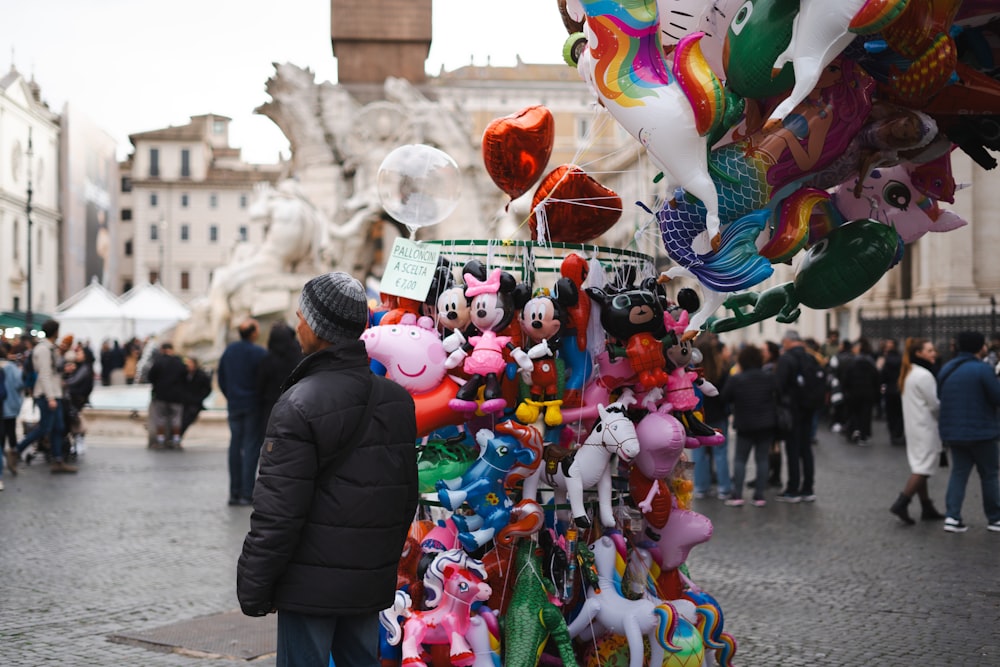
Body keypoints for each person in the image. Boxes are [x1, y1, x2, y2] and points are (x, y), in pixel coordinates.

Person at [237, 271, 418, 667]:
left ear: (318, 328)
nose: (298, 323)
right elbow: (406, 499)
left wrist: (253, 585)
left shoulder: (298, 403)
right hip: (366, 582)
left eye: (302, 315)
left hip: (309, 587)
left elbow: (278, 513)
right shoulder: (397, 400)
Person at [936, 330, 1000, 533]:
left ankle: (952, 517)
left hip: (954, 431)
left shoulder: (947, 368)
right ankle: (995, 518)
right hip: (981, 432)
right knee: (989, 475)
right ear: (980, 347)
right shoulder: (982, 369)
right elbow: (997, 397)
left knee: (959, 473)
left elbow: (940, 395)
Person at [7, 319, 77, 474]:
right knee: (45, 427)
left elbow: (52, 371)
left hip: (54, 393)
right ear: (55, 332)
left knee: (58, 427)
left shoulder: (51, 349)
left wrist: (64, 368)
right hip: (47, 394)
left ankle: (58, 460)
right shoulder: (43, 350)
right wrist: (50, 397)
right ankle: (16, 450)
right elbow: (44, 374)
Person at [889, 338, 946, 524]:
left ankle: (926, 506)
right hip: (926, 427)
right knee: (923, 468)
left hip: (914, 427)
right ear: (918, 353)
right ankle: (902, 502)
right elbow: (935, 404)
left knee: (921, 465)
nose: (934, 353)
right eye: (929, 350)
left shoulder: (910, 372)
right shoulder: (924, 375)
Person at [218, 318, 268, 506]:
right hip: (252, 404)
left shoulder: (229, 351)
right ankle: (247, 492)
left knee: (235, 446)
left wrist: (230, 395)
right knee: (251, 448)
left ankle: (234, 492)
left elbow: (221, 377)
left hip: (235, 404)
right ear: (254, 333)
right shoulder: (259, 353)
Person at [722, 344, 778, 507]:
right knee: (762, 459)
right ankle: (759, 496)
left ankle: (737, 495)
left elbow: (725, 397)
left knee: (740, 459)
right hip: (766, 424)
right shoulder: (769, 377)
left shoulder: (737, 379)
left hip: (744, 423)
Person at [775, 330, 816, 502]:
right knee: (806, 448)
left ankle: (793, 489)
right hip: (809, 408)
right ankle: (808, 489)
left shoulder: (786, 359)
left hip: (791, 410)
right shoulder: (811, 358)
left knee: (792, 449)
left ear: (788, 341)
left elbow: (778, 386)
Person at [691, 334, 732, 500]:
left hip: (697, 415)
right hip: (718, 414)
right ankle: (724, 488)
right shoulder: (722, 369)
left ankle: (701, 487)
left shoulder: (692, 371)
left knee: (699, 453)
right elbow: (726, 394)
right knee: (721, 452)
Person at [256, 321, 303, 426]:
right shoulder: (299, 357)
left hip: (271, 406)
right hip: (295, 405)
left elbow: (260, 384)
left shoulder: (267, 360)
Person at [147, 342, 189, 449]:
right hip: (177, 397)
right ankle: (176, 441)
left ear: (162, 350)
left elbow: (151, 377)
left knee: (160, 418)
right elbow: (185, 377)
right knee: (176, 419)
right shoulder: (179, 362)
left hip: (161, 395)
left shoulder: (158, 362)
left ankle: (161, 441)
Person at [843, 337, 880, 446]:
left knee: (854, 413)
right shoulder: (870, 362)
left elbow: (846, 379)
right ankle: (863, 434)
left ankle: (854, 431)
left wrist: (846, 390)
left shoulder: (852, 362)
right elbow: (876, 378)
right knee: (866, 414)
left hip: (854, 393)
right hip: (868, 392)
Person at [0, 342, 25, 489]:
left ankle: (2, 458)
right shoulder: (11, 367)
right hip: (11, 406)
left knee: (1, 437)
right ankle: (12, 458)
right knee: (11, 432)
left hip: (1, 408)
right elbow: (20, 383)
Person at [879, 338, 905, 446]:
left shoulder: (886, 360)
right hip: (900, 389)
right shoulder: (901, 359)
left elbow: (883, 375)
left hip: (889, 389)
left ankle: (893, 433)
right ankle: (899, 433)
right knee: (900, 413)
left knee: (891, 413)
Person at [179, 356, 213, 437]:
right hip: (184, 401)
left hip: (194, 403)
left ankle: (177, 437)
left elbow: (207, 389)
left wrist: (199, 398)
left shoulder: (201, 375)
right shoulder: (183, 374)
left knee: (186, 420)